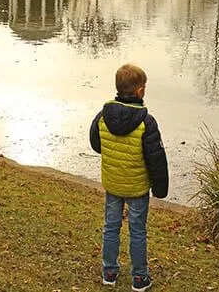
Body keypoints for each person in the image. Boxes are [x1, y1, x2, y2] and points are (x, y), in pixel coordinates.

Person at [89, 63, 169, 291]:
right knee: (137, 230)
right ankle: (139, 277)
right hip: (137, 187)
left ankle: (109, 272)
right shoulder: (146, 122)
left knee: (111, 226)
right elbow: (156, 159)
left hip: (113, 183)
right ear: (140, 91)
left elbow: (96, 144)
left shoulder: (103, 116)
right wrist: (160, 189)